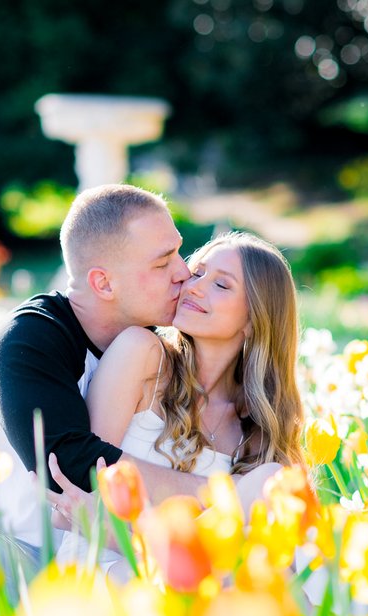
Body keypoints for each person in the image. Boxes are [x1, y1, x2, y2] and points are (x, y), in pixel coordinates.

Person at [0, 183, 213, 616]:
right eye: (163, 263)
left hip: (111, 557)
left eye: (179, 254)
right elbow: (72, 466)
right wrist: (218, 493)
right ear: (102, 282)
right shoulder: (27, 341)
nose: (184, 273)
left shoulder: (158, 345)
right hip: (24, 565)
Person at [51, 231, 305, 577]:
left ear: (253, 319)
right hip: (108, 575)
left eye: (222, 285)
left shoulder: (257, 429)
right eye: (197, 273)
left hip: (197, 590)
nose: (196, 287)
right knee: (268, 483)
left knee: (272, 506)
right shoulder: (142, 357)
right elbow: (72, 503)